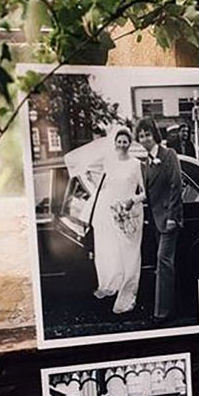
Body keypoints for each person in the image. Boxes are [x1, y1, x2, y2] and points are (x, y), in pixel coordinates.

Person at [68, 125, 146, 314]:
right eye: (119, 141)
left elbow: (145, 193)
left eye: (125, 141)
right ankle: (112, 284)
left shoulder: (136, 164)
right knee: (110, 252)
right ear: (115, 143)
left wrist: (131, 201)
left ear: (130, 142)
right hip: (110, 213)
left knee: (130, 256)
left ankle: (128, 297)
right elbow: (96, 179)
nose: (121, 144)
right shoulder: (109, 164)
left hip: (130, 213)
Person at [136, 118, 183, 324]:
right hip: (156, 220)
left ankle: (162, 313)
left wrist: (172, 217)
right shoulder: (145, 163)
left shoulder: (169, 155)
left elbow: (176, 186)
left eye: (147, 134)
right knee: (166, 263)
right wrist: (130, 200)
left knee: (163, 262)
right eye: (141, 135)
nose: (144, 138)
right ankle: (172, 306)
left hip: (169, 220)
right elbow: (147, 193)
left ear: (154, 135)